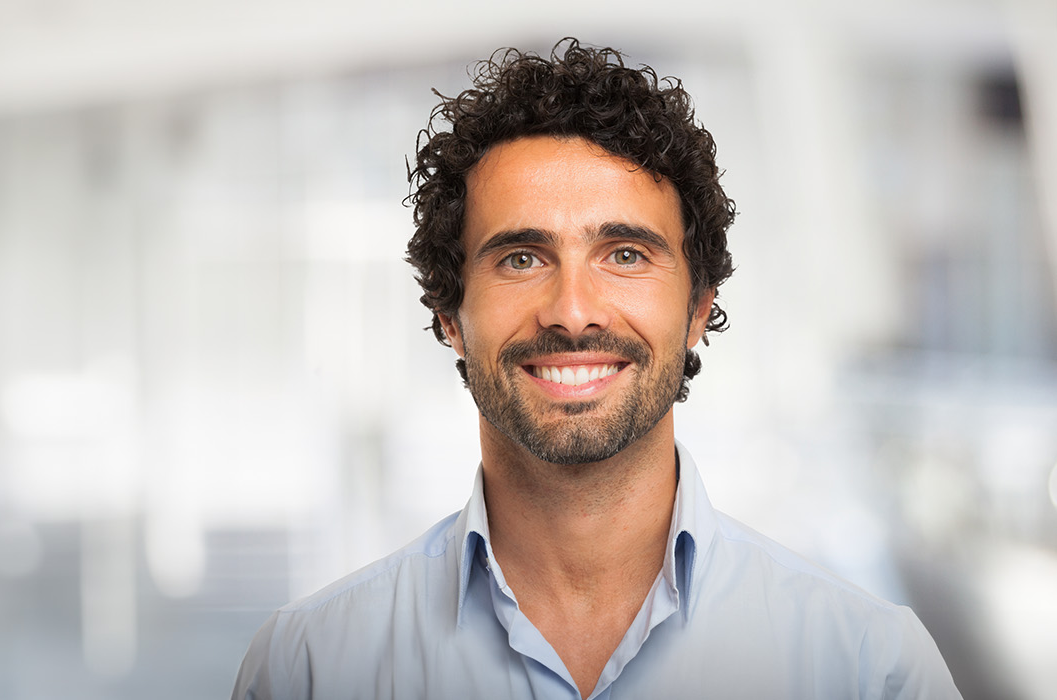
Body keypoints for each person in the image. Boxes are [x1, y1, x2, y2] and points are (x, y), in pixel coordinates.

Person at [230, 40, 961, 700]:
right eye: (522, 258)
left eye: (625, 255)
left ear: (699, 307)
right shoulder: (309, 670)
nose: (573, 312)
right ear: (450, 314)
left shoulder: (870, 670)